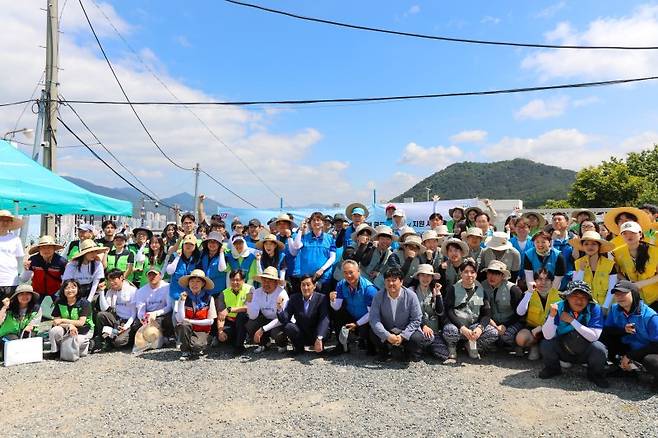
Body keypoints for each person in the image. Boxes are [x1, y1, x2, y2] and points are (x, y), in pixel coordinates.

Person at [538, 281, 608, 387]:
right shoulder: (557, 307)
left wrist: (572, 321)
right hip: (563, 348)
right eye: (575, 295)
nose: (579, 300)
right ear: (567, 297)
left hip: (586, 349)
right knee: (546, 344)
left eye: (584, 297)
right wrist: (552, 316)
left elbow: (594, 336)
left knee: (599, 348)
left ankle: (595, 375)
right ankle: (553, 369)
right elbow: (548, 335)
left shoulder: (594, 308)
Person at [602, 280, 658, 392]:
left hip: (647, 350)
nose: (619, 297)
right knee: (605, 339)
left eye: (623, 293)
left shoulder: (650, 316)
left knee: (651, 361)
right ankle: (625, 369)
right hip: (629, 346)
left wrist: (630, 355)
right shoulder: (614, 309)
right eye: (617, 294)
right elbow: (606, 331)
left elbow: (656, 345)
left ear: (634, 293)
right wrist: (623, 330)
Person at [442, 258, 498, 360]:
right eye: (466, 272)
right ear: (461, 273)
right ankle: (452, 346)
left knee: (493, 333)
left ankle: (471, 344)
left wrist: (479, 328)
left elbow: (486, 314)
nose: (469, 275)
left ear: (476, 274)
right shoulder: (453, 289)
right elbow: (449, 311)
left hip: (473, 326)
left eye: (472, 272)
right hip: (457, 325)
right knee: (450, 330)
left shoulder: (482, 291)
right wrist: (462, 328)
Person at [369, 268, 429, 362]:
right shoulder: (379, 296)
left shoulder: (411, 296)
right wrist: (387, 335)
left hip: (405, 329)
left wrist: (403, 336)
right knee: (373, 332)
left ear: (401, 281)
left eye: (394, 280)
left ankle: (407, 353)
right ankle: (384, 352)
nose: (391, 283)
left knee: (417, 338)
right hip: (388, 329)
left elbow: (417, 319)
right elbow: (374, 318)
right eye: (388, 280)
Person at [329, 259, 378, 355]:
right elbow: (336, 307)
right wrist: (332, 300)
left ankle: (370, 345)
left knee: (368, 328)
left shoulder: (369, 289)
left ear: (358, 271)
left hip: (367, 318)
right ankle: (342, 345)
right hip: (352, 314)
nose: (348, 276)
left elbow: (371, 314)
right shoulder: (341, 284)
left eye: (351, 272)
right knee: (337, 314)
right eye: (345, 273)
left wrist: (356, 324)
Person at [515, 269, 562, 360]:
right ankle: (534, 346)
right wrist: (529, 293)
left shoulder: (560, 296)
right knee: (521, 338)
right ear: (535, 281)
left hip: (552, 330)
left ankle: (557, 353)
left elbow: (562, 319)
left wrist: (541, 327)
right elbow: (520, 312)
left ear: (552, 282)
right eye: (539, 279)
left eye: (547, 279)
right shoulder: (528, 294)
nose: (543, 282)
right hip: (533, 330)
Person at [277, 275, 330, 355]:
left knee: (326, 328)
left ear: (314, 286)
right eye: (303, 285)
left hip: (316, 333)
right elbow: (285, 319)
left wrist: (319, 337)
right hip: (301, 333)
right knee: (289, 326)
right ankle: (298, 348)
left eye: (308, 285)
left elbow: (324, 319)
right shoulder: (294, 298)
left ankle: (319, 348)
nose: (305, 288)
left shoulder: (321, 298)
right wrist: (279, 309)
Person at [611, 221, 658, 311]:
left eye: (633, 232)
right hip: (632, 297)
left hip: (654, 296)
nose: (629, 236)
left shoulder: (655, 251)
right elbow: (616, 272)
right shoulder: (616, 253)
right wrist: (628, 283)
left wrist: (640, 284)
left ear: (640, 234)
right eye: (625, 233)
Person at [480, 260, 524, 349]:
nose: (491, 277)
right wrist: (489, 321)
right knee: (489, 334)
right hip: (491, 321)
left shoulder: (513, 289)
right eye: (489, 273)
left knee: (507, 336)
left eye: (496, 274)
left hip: (512, 322)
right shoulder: (482, 286)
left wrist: (505, 325)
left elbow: (520, 314)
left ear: (502, 276)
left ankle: (516, 345)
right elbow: (480, 309)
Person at [174, 269, 217, 360]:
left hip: (202, 330)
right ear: (188, 284)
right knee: (182, 325)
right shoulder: (182, 296)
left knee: (197, 346)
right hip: (187, 328)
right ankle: (185, 350)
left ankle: (198, 344)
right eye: (192, 281)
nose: (195, 284)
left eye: (198, 281)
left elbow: (210, 321)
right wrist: (182, 302)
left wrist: (191, 321)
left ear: (203, 284)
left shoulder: (209, 298)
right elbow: (180, 319)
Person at [409, 264, 449, 360]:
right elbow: (410, 314)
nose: (425, 278)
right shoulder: (411, 291)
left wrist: (438, 295)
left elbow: (440, 312)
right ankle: (417, 348)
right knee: (425, 339)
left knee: (443, 355)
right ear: (418, 276)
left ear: (432, 278)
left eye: (428, 275)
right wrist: (423, 326)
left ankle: (425, 348)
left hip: (434, 330)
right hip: (417, 329)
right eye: (422, 275)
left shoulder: (434, 290)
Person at [246, 266, 289, 353]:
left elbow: (283, 318)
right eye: (264, 280)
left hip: (279, 321)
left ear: (276, 282)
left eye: (270, 281)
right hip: (265, 318)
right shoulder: (257, 292)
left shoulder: (282, 294)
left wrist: (262, 329)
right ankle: (264, 343)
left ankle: (282, 345)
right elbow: (253, 316)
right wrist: (249, 302)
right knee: (250, 324)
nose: (266, 283)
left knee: (277, 333)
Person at [48, 279, 95, 359]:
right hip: (66, 329)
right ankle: (56, 351)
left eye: (73, 287)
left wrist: (63, 320)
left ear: (78, 289)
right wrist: (69, 325)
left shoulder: (84, 303)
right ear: (63, 290)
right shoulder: (59, 302)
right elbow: (56, 322)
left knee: (77, 344)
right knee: (55, 330)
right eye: (67, 288)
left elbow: (81, 322)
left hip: (83, 330)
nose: (70, 290)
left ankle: (88, 344)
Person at [290, 212, 336, 293]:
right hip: (306, 278)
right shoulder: (305, 237)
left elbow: (332, 257)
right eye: (313, 220)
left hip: (323, 278)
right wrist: (301, 230)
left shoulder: (330, 238)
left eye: (318, 220)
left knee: (322, 302)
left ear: (323, 223)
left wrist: (322, 269)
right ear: (310, 223)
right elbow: (296, 246)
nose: (316, 222)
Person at [93, 268, 137, 351]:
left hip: (129, 321)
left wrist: (126, 326)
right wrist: (102, 292)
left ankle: (128, 338)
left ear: (121, 278)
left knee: (119, 342)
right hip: (117, 319)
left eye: (113, 279)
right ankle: (104, 339)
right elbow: (104, 308)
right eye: (109, 280)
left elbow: (134, 313)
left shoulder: (132, 291)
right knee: (100, 315)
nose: (111, 282)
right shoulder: (111, 291)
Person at [570, 231, 617, 309]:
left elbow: (612, 288)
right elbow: (575, 286)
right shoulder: (577, 263)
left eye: (593, 244)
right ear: (582, 246)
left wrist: (605, 306)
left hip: (606, 306)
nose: (590, 247)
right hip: (584, 306)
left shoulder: (610, 264)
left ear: (599, 246)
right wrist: (581, 270)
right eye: (586, 244)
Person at [215, 269, 252, 354]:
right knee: (224, 337)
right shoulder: (224, 293)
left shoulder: (250, 290)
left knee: (241, 315)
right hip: (230, 321)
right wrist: (220, 331)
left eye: (237, 280)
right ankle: (235, 339)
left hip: (245, 320)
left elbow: (249, 307)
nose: (235, 282)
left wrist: (230, 309)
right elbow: (221, 314)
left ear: (243, 280)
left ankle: (239, 346)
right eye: (232, 280)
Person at [21, 235, 67, 302]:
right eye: (43, 248)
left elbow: (66, 281)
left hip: (56, 291)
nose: (46, 250)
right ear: (39, 249)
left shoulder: (61, 261)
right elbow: (24, 280)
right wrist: (26, 270)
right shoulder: (33, 260)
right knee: (34, 309)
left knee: (61, 307)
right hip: (37, 291)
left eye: (49, 247)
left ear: (54, 249)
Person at [61, 239, 108, 303]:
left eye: (95, 251)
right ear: (84, 253)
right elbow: (65, 282)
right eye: (91, 252)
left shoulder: (98, 264)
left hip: (89, 290)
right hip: (73, 290)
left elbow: (95, 284)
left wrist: (89, 300)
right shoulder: (72, 264)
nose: (94, 254)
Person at [134, 268, 174, 340]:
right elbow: (140, 308)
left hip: (162, 314)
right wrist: (143, 318)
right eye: (150, 275)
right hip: (148, 315)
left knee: (170, 318)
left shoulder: (167, 287)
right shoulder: (141, 291)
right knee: (136, 325)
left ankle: (167, 336)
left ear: (160, 276)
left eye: (154, 275)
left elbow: (169, 307)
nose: (152, 277)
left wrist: (155, 314)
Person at [0, 284, 42, 352]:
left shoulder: (36, 308)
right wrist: (4, 307)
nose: (24, 296)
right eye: (21, 294)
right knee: (13, 339)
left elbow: (33, 325)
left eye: (27, 293)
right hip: (7, 335)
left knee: (32, 337)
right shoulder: (9, 307)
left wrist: (27, 329)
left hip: (25, 333)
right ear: (17, 296)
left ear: (31, 296)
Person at [166, 234, 201, 300]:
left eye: (191, 244)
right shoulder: (174, 255)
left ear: (195, 246)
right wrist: (178, 257)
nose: (188, 246)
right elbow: (169, 271)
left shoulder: (198, 259)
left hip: (191, 296)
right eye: (186, 243)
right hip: (176, 295)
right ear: (182, 244)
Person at [358, 225, 393, 290]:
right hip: (363, 279)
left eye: (388, 239)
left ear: (391, 241)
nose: (385, 241)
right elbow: (364, 262)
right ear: (377, 239)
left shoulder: (391, 254)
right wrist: (373, 248)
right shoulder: (369, 247)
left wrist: (378, 273)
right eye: (382, 239)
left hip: (377, 284)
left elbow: (387, 271)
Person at [0, 210, 24, 299]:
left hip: (10, 280)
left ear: (11, 223)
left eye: (7, 220)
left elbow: (20, 259)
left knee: (8, 309)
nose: (4, 223)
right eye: (2, 220)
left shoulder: (16, 239)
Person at [551, 212, 576, 290]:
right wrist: (552, 240)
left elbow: (576, 258)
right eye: (554, 220)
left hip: (569, 280)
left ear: (567, 223)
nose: (557, 221)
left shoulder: (573, 238)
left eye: (559, 219)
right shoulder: (547, 238)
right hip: (551, 279)